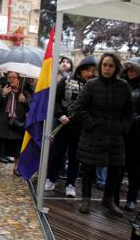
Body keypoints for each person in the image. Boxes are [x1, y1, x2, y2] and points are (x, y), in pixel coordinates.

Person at [70, 53, 133, 216]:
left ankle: (109, 199)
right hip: (92, 134)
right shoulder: (91, 85)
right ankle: (86, 199)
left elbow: (129, 112)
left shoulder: (123, 86)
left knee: (115, 168)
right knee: (88, 167)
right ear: (100, 66)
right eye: (104, 65)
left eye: (111, 65)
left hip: (115, 135)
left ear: (116, 68)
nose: (107, 68)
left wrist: (122, 128)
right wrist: (91, 124)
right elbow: (79, 108)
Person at [44, 56, 97, 197]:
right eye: (88, 70)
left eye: (93, 71)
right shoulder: (66, 81)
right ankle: (51, 178)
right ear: (81, 69)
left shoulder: (93, 85)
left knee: (75, 157)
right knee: (57, 154)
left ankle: (71, 184)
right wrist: (60, 115)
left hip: (81, 127)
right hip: (63, 124)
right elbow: (55, 99)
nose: (90, 73)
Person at [0, 71, 30, 175]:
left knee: (17, 146)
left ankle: (16, 168)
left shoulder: (23, 93)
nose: (11, 79)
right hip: (3, 121)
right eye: (9, 77)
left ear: (18, 79)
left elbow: (29, 108)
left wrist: (24, 101)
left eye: (14, 77)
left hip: (17, 123)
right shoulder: (3, 89)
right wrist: (3, 94)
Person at [119, 57, 140, 211]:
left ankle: (132, 198)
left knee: (135, 168)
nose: (131, 72)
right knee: (118, 165)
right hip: (121, 132)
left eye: (134, 70)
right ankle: (112, 197)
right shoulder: (122, 85)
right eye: (129, 69)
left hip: (137, 134)